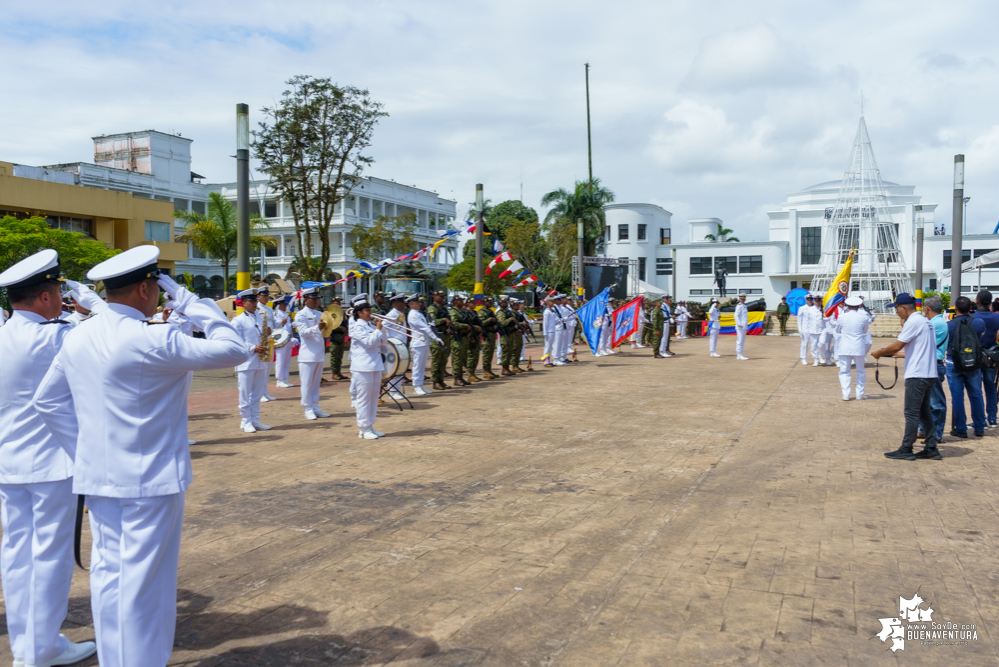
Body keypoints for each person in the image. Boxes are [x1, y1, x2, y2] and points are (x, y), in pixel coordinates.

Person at [33, 245, 249, 667]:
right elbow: (234, 348)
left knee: (110, 578)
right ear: (148, 288)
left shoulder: (79, 334)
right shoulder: (156, 338)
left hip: (98, 476)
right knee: (145, 587)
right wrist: (189, 301)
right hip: (150, 481)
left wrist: (85, 452)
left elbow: (48, 402)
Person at [0, 250, 98, 667]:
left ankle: (29, 646)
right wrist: (93, 301)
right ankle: (41, 651)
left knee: (17, 555)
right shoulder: (58, 337)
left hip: (8, 462)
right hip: (51, 464)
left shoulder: (4, 335)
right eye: (58, 291)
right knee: (50, 558)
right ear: (43, 297)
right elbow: (113, 329)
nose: (62, 299)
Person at [872, 293, 942, 460]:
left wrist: (879, 353)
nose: (896, 312)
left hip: (917, 374)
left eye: (896, 308)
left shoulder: (914, 321)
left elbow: (897, 345)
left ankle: (906, 448)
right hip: (929, 373)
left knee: (911, 412)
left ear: (904, 308)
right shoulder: (925, 321)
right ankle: (931, 447)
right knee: (924, 412)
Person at [943, 296, 987, 439]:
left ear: (955, 308)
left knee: (957, 397)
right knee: (976, 394)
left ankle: (961, 429)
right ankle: (979, 426)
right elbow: (982, 336)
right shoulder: (979, 322)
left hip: (953, 364)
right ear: (970, 308)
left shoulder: (949, 325)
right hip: (973, 363)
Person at [348, 295, 388, 439]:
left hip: (375, 365)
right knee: (364, 399)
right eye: (367, 310)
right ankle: (363, 428)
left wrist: (382, 329)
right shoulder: (357, 327)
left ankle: (370, 426)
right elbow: (369, 342)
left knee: (373, 398)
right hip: (362, 367)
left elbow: (383, 343)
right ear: (359, 313)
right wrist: (378, 329)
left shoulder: (370, 326)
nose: (370, 313)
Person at [231, 289, 271, 433]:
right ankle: (245, 420)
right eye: (251, 301)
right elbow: (235, 341)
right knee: (245, 393)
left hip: (261, 361)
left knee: (257, 393)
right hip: (246, 361)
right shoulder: (238, 320)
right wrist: (253, 347)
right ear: (244, 303)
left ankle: (255, 419)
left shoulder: (260, 317)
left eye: (255, 301)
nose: (255, 303)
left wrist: (267, 334)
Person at [293, 287, 329, 420]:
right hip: (307, 355)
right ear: (306, 300)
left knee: (315, 383)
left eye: (317, 299)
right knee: (307, 383)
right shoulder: (300, 314)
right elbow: (302, 332)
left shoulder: (320, 314)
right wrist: (316, 328)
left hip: (318, 353)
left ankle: (315, 406)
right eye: (313, 299)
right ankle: (308, 408)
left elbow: (326, 331)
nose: (316, 302)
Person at [922, 296, 948, 444]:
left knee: (936, 402)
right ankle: (928, 431)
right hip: (934, 363)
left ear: (928, 308)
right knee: (929, 400)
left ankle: (936, 433)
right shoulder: (937, 322)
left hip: (934, 363)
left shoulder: (934, 323)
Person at [834, 296, 870, 400]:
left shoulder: (842, 317)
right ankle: (860, 394)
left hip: (845, 347)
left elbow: (837, 330)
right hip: (858, 347)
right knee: (860, 371)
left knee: (844, 371)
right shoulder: (863, 317)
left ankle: (846, 394)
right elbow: (864, 331)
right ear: (859, 306)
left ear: (847, 306)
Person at [973, 290, 999, 428]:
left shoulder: (973, 316)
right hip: (991, 355)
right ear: (990, 302)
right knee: (990, 387)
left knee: (976, 389)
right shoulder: (996, 317)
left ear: (977, 300)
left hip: (975, 356)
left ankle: (980, 420)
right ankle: (992, 418)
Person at [407, 295, 442, 395]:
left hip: (424, 342)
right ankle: (416, 386)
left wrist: (431, 325)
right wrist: (435, 337)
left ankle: (420, 384)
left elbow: (426, 326)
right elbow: (424, 328)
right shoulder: (413, 314)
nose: (420, 304)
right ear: (412, 304)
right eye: (417, 302)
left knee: (422, 366)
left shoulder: (419, 313)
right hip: (418, 342)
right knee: (417, 365)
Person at [426, 290, 452, 390]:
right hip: (437, 336)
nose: (442, 298)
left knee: (443, 360)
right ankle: (435, 381)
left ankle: (441, 380)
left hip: (445, 335)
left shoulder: (443, 308)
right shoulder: (432, 308)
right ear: (434, 297)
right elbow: (432, 322)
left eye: (443, 296)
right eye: (440, 296)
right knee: (437, 360)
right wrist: (444, 320)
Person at [256, 286, 278, 402]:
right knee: (262, 367)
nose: (266, 297)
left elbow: (274, 323)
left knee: (268, 366)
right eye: (264, 295)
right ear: (258, 296)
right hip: (261, 339)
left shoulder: (269, 309)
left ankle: (265, 391)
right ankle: (259, 393)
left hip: (270, 338)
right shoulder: (256, 308)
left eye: (267, 295)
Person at [448, 295, 471, 385]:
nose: (462, 302)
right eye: (460, 301)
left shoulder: (461, 312)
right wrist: (465, 326)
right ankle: (457, 378)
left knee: (462, 358)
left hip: (464, 337)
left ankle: (460, 377)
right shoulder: (453, 312)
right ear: (455, 302)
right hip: (457, 338)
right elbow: (454, 324)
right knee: (457, 358)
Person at [274, 297, 295, 388]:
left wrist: (293, 325)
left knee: (287, 360)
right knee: (280, 360)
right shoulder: (276, 313)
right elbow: (276, 327)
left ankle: (285, 378)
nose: (285, 305)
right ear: (279, 305)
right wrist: (282, 323)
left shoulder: (285, 314)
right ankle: (279, 380)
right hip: (280, 339)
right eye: (283, 304)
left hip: (288, 339)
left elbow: (288, 327)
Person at [477, 297, 500, 378]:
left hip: (492, 334)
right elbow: (481, 323)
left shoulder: (490, 311)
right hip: (486, 335)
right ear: (484, 302)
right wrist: (489, 320)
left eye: (491, 302)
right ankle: (485, 371)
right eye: (489, 302)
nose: (491, 304)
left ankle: (489, 370)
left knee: (490, 353)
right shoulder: (481, 312)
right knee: (486, 353)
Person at [798, 295, 820, 365]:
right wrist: (800, 330)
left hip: (813, 328)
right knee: (804, 344)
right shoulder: (802, 308)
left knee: (815, 344)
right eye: (808, 300)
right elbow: (799, 320)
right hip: (805, 329)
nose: (810, 301)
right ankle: (803, 358)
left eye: (811, 300)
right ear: (806, 300)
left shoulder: (816, 308)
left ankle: (816, 358)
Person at [542, 296, 558, 365]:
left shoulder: (552, 311)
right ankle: (545, 361)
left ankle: (549, 361)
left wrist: (562, 319)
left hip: (553, 330)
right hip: (548, 331)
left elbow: (554, 321)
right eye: (552, 302)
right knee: (547, 347)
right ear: (548, 302)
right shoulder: (546, 312)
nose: (553, 303)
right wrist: (545, 333)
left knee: (550, 347)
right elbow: (545, 323)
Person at [735, 294, 749, 361]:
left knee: (742, 340)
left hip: (744, 325)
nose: (743, 300)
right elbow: (736, 316)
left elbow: (745, 317)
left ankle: (740, 354)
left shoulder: (744, 306)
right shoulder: (739, 306)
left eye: (744, 299)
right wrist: (739, 324)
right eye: (742, 299)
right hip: (740, 326)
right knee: (740, 340)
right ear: (739, 299)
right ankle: (739, 354)